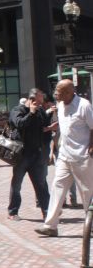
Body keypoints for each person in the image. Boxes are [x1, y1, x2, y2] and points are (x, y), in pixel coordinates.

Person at [35, 79, 93, 237]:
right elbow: (65, 124)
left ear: (69, 92)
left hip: (82, 157)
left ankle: (91, 226)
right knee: (57, 187)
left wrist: (91, 147)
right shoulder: (60, 106)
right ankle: (50, 226)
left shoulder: (84, 105)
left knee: (87, 192)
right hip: (64, 156)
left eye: (59, 91)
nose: (56, 93)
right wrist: (54, 127)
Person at [6, 88, 50, 221]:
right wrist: (31, 113)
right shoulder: (17, 110)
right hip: (21, 155)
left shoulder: (40, 111)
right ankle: (13, 212)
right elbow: (20, 124)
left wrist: (49, 126)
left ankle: (47, 212)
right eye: (39, 102)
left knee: (41, 184)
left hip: (36, 154)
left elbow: (43, 127)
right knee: (17, 183)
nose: (41, 105)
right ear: (31, 100)